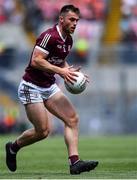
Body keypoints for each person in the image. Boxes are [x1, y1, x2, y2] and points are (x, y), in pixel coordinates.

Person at [5, 4, 98, 175]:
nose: (75, 23)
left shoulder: (68, 40)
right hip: (31, 87)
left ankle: (74, 163)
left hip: (48, 86)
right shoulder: (49, 36)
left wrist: (68, 72)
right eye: (71, 19)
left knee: (72, 119)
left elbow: (57, 60)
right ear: (61, 19)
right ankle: (13, 147)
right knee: (43, 131)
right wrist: (61, 71)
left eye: (77, 20)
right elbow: (36, 60)